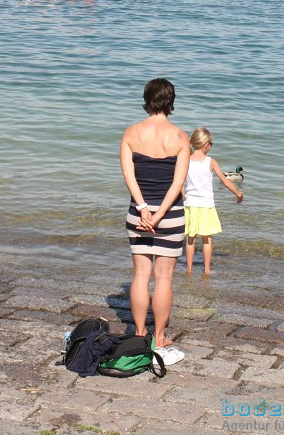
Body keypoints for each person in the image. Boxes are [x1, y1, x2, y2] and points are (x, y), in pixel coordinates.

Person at [120, 78, 189, 366]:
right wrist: (160, 214)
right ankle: (159, 337)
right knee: (163, 278)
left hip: (139, 212)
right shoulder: (180, 137)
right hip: (170, 214)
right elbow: (178, 183)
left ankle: (139, 332)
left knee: (140, 275)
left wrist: (144, 208)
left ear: (146, 99)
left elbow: (130, 177)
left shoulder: (131, 134)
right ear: (171, 101)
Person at [182, 127, 243, 275]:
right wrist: (238, 193)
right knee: (206, 239)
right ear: (206, 144)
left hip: (190, 205)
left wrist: (184, 196)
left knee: (190, 239)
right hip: (206, 206)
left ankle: (189, 269)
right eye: (211, 143)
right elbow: (225, 181)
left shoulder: (186, 160)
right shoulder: (210, 161)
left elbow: (179, 182)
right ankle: (207, 270)